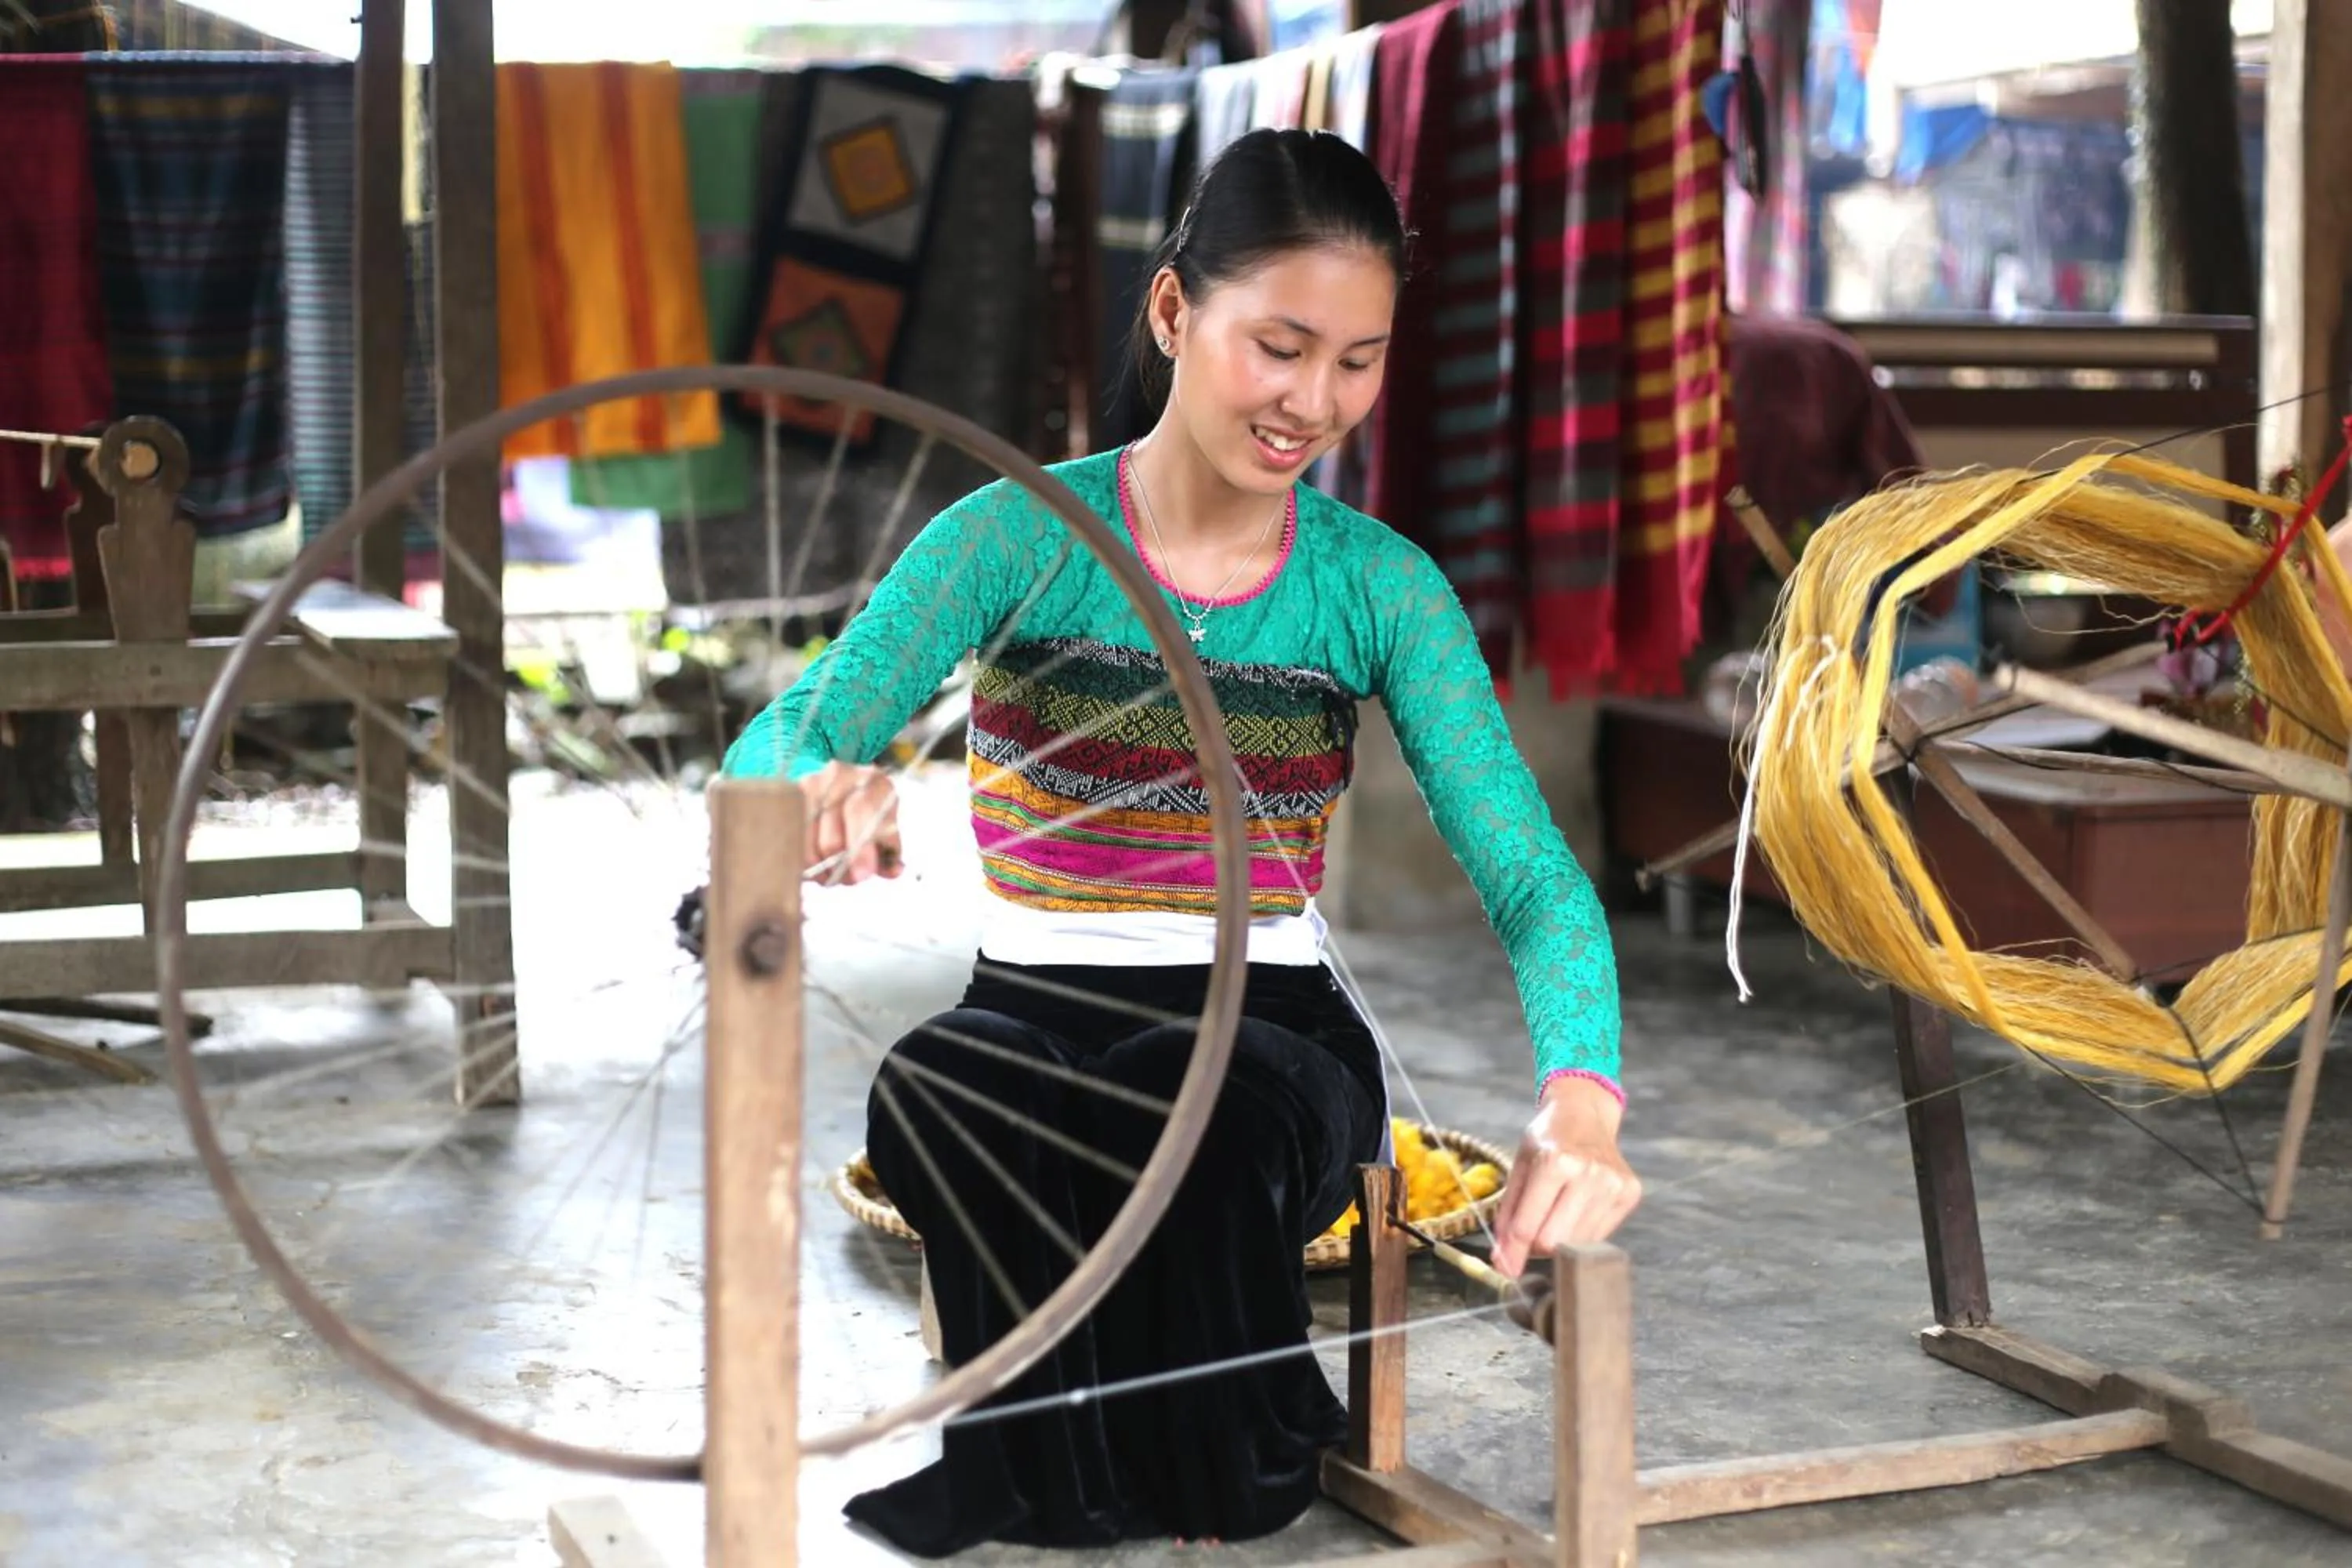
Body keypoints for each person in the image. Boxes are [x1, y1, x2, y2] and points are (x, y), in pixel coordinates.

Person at [721, 127, 1637, 1557]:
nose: (1313, 402)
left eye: (1357, 359)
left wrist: (1583, 1092)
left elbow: (1524, 871)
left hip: (1269, 1034)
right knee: (939, 1087)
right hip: (1033, 1004)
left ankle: (1173, 1452)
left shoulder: (1375, 589)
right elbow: (781, 737)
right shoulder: (1015, 537)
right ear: (1170, 312)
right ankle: (1063, 1468)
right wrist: (821, 784)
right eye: (1278, 345)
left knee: (1190, 1098)